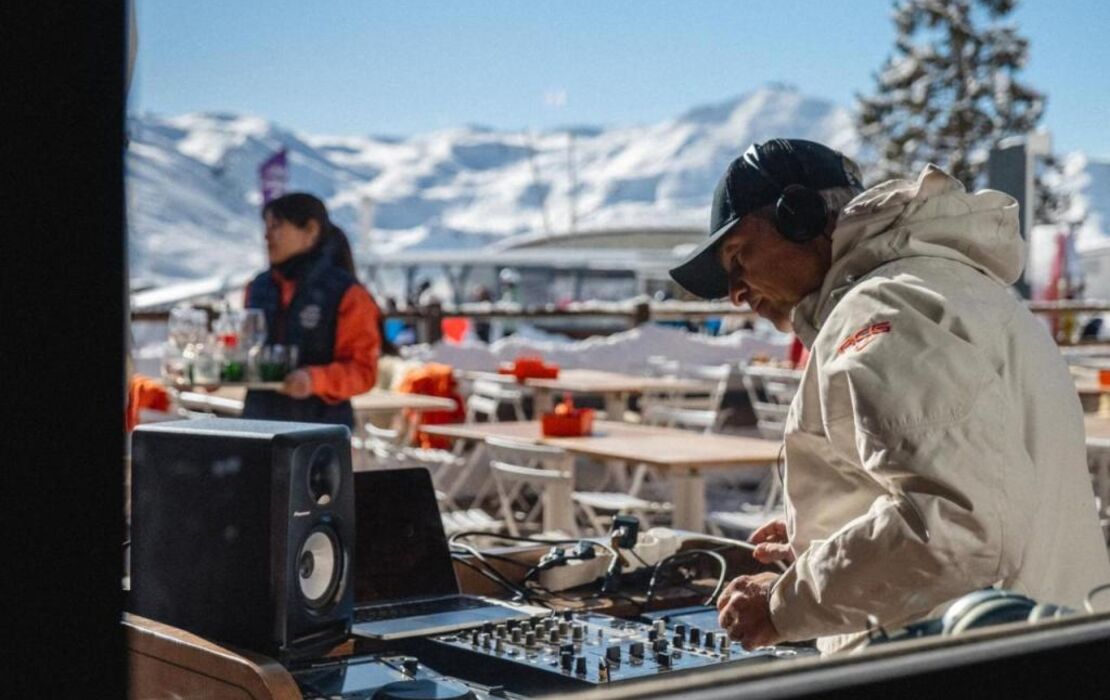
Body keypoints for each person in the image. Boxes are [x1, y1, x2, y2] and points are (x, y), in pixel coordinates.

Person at [668, 138, 1110, 655]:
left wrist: (785, 603)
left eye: (738, 256)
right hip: (1040, 640)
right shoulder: (948, 288)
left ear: (801, 217)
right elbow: (976, 486)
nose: (737, 291)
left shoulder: (883, 310)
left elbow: (958, 526)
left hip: (964, 657)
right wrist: (825, 544)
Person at [242, 192, 381, 427]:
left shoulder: (347, 293)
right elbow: (243, 349)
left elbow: (363, 371)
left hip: (320, 433)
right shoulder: (258, 287)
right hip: (257, 424)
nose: (267, 236)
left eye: (277, 227)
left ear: (310, 231)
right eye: (266, 227)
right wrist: (218, 368)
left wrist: (314, 380)